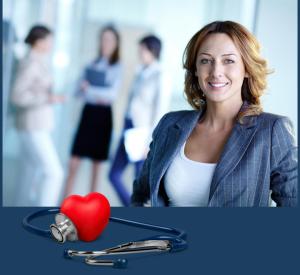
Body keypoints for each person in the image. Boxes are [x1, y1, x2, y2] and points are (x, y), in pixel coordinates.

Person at [131, 20, 297, 207]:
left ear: (247, 69)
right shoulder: (169, 125)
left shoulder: (273, 131)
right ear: (195, 70)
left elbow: (293, 214)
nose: (216, 71)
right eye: (206, 61)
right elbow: (141, 197)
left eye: (228, 61)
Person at [109, 35, 169, 206]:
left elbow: (160, 111)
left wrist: (149, 141)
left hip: (142, 133)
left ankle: (137, 215)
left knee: (139, 181)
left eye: (143, 49)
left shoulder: (160, 75)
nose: (140, 53)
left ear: (153, 50)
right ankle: (131, 208)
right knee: (113, 174)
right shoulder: (140, 72)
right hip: (129, 127)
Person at [64, 25, 122, 197]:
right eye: (103, 39)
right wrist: (90, 90)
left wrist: (89, 90)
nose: (106, 43)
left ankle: (91, 207)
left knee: (97, 165)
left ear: (116, 43)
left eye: (110, 39)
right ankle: (63, 204)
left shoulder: (118, 66)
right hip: (88, 114)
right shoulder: (91, 63)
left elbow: (111, 95)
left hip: (103, 116)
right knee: (73, 162)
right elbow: (77, 92)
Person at [12, 25, 64, 206]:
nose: (51, 44)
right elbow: (17, 95)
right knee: (54, 173)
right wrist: (46, 98)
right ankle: (45, 218)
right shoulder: (31, 63)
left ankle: (19, 213)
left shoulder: (39, 61)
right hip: (32, 125)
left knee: (29, 171)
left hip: (35, 124)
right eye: (49, 40)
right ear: (39, 41)